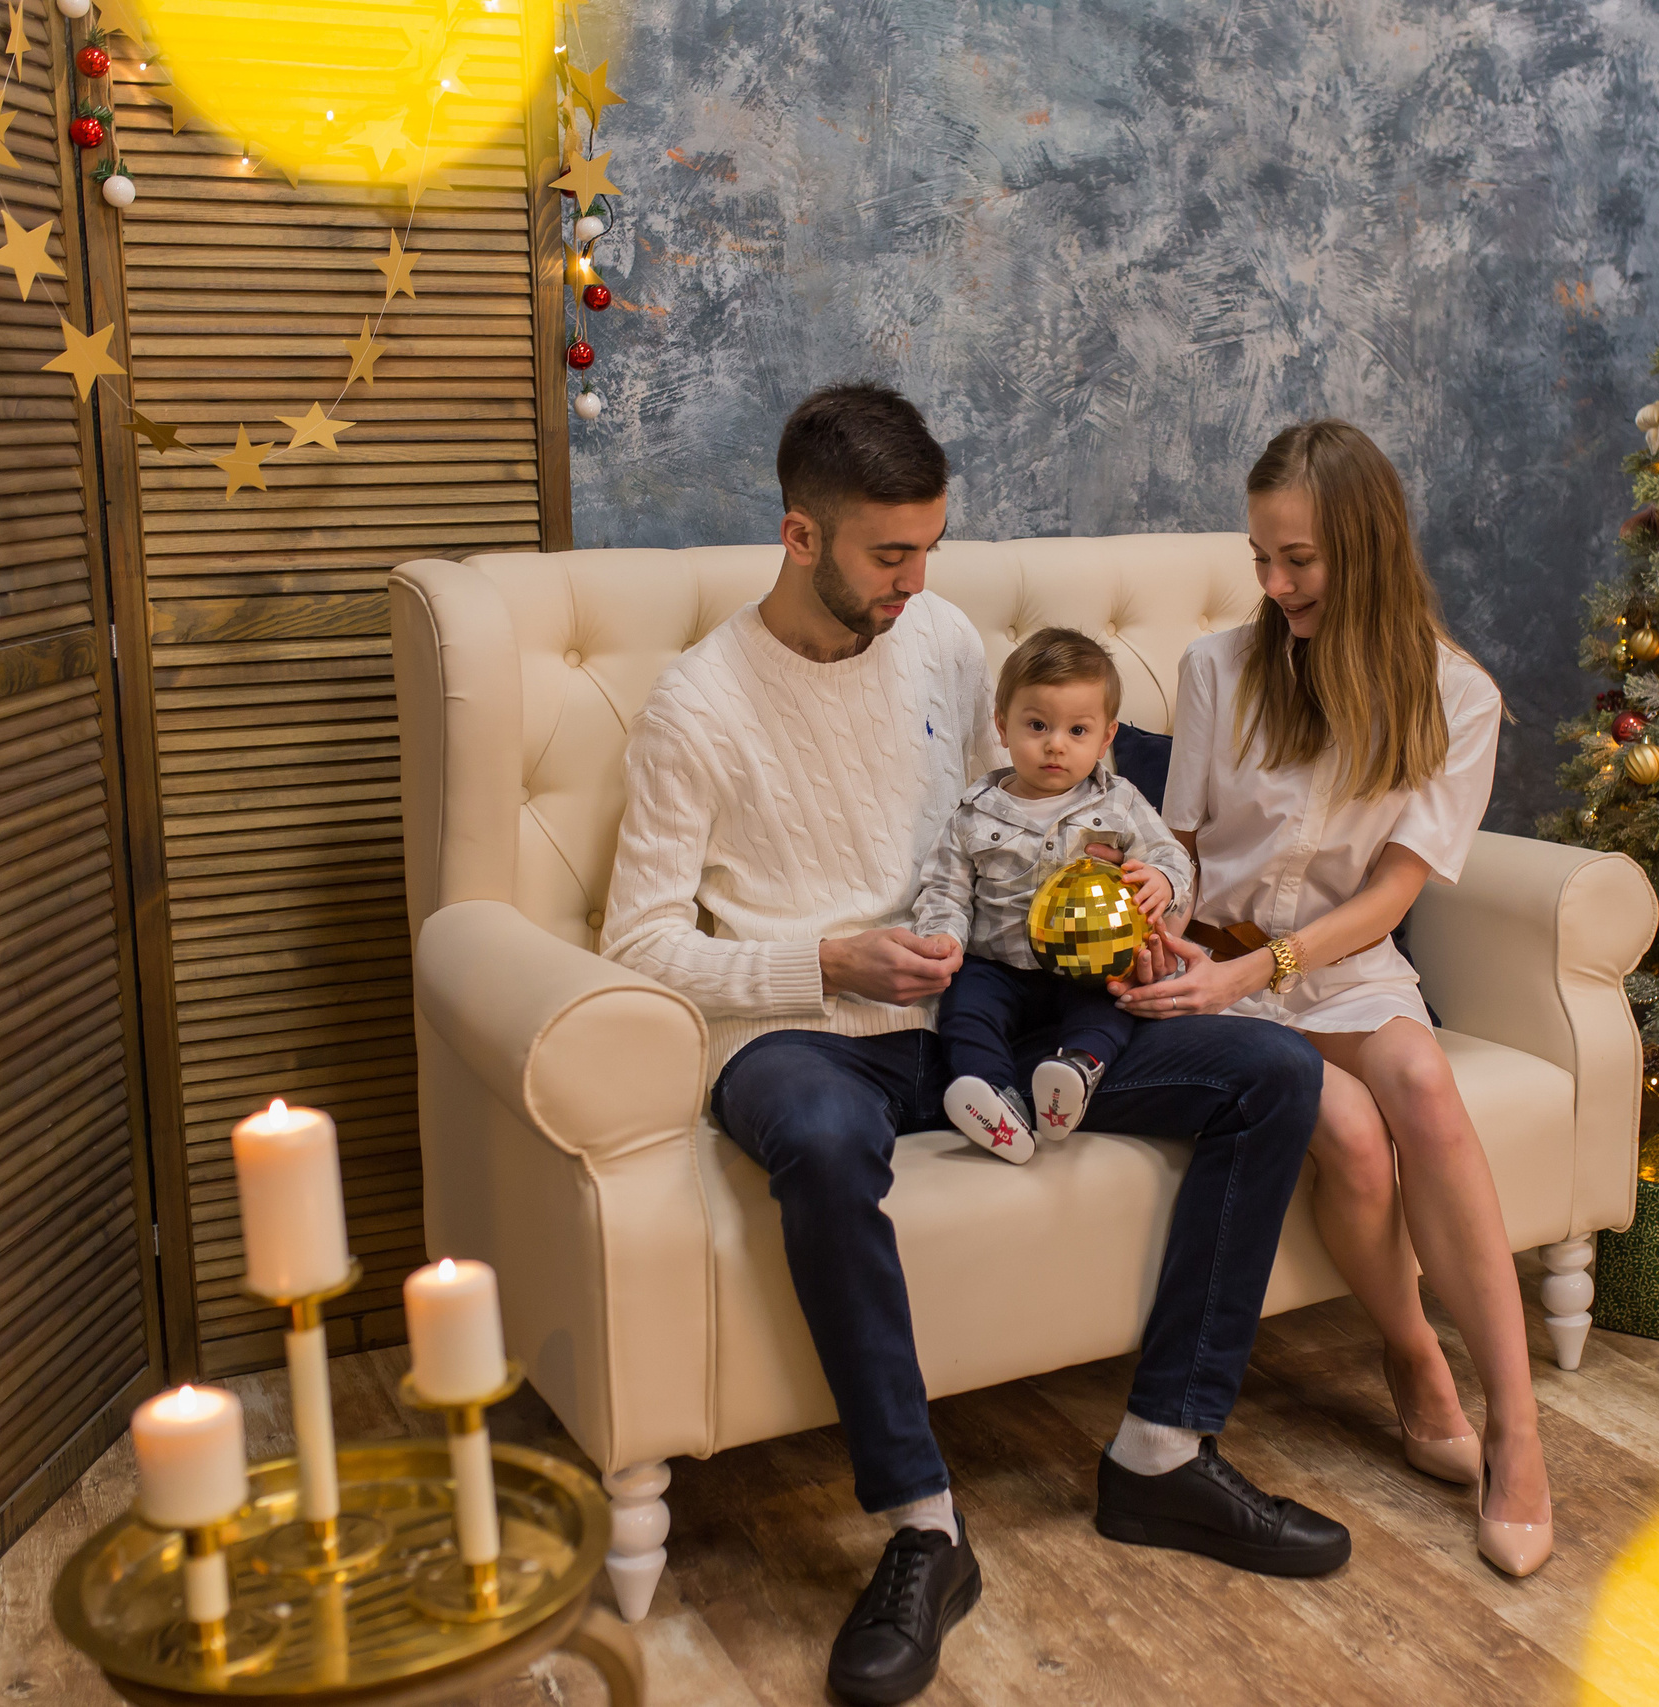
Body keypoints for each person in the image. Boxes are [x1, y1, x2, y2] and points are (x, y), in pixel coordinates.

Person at [601, 383, 1349, 1707]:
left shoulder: (940, 635)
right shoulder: (697, 705)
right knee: (824, 1143)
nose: (917, 579)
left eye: (929, 546)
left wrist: (1149, 890)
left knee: (1274, 1071)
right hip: (802, 1033)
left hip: (989, 1005)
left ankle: (1165, 1452)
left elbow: (1059, 791)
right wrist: (819, 955)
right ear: (798, 534)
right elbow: (638, 946)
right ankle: (922, 1528)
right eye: (890, 553)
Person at [1119, 417, 1557, 1579]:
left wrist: (1278, 965)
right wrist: (1159, 916)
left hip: (1340, 963)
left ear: (1364, 546)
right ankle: (1411, 1348)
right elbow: (1179, 845)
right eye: (1259, 556)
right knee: (1353, 1138)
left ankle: (1515, 1428)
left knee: (1418, 1076)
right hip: (1218, 966)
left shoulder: (1454, 697)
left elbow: (1394, 893)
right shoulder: (1218, 668)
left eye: (1296, 560)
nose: (1271, 583)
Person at [911, 625, 1192, 1157]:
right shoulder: (975, 814)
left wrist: (1163, 879)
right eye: (1037, 725)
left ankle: (1076, 1072)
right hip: (997, 965)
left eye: (1077, 731)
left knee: (1112, 1004)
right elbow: (945, 888)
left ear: (1107, 738)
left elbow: (1172, 856)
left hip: (1088, 962)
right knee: (964, 1009)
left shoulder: (1121, 804)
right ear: (1002, 726)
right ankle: (996, 1099)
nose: (1055, 745)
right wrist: (943, 938)